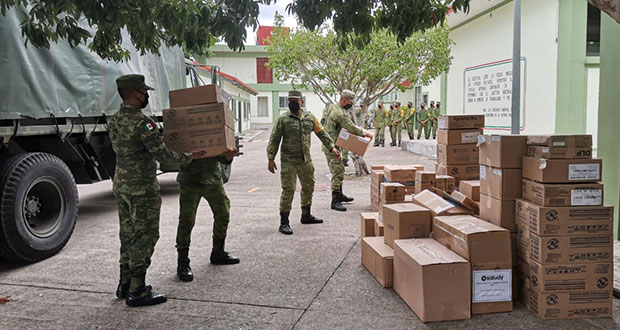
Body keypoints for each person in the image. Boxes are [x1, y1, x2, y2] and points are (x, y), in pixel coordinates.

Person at [109, 74, 201, 307]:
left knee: (127, 234)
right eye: (144, 92)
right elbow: (162, 154)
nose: (146, 95)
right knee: (145, 235)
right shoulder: (143, 123)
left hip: (122, 186)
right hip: (142, 189)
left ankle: (125, 283)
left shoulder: (115, 120)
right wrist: (189, 157)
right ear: (136, 93)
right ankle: (138, 290)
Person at [267, 91, 340, 235]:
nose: (292, 103)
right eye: (290, 101)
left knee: (309, 186)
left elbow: (322, 133)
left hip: (305, 160)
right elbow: (274, 138)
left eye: (295, 100)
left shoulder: (310, 118)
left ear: (302, 102)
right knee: (288, 190)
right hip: (288, 161)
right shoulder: (283, 119)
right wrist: (271, 158)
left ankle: (306, 215)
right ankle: (284, 222)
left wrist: (332, 147)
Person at [175, 146, 240, 283]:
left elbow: (221, 154)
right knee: (186, 220)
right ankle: (182, 262)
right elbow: (174, 150)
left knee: (223, 212)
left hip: (212, 178)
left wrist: (228, 157)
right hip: (189, 179)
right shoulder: (184, 128)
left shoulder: (211, 125)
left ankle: (218, 252)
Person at [322, 90, 374, 211]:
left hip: (331, 144)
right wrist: (366, 133)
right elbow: (350, 127)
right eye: (349, 103)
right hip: (331, 147)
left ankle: (339, 195)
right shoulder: (339, 113)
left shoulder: (332, 107)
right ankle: (335, 200)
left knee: (339, 169)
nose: (350, 105)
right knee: (338, 172)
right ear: (344, 100)